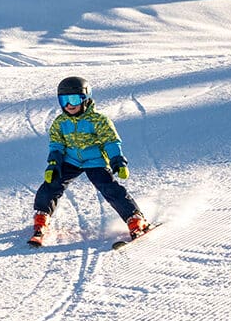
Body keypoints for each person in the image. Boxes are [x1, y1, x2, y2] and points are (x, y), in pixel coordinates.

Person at [30, 76, 150, 247]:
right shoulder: (60, 122)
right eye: (64, 100)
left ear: (85, 98)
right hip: (70, 160)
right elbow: (56, 145)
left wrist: (117, 160)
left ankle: (135, 219)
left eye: (74, 99)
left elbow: (111, 141)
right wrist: (54, 164)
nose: (69, 105)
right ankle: (42, 218)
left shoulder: (98, 120)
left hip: (95, 161)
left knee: (109, 188)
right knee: (51, 185)